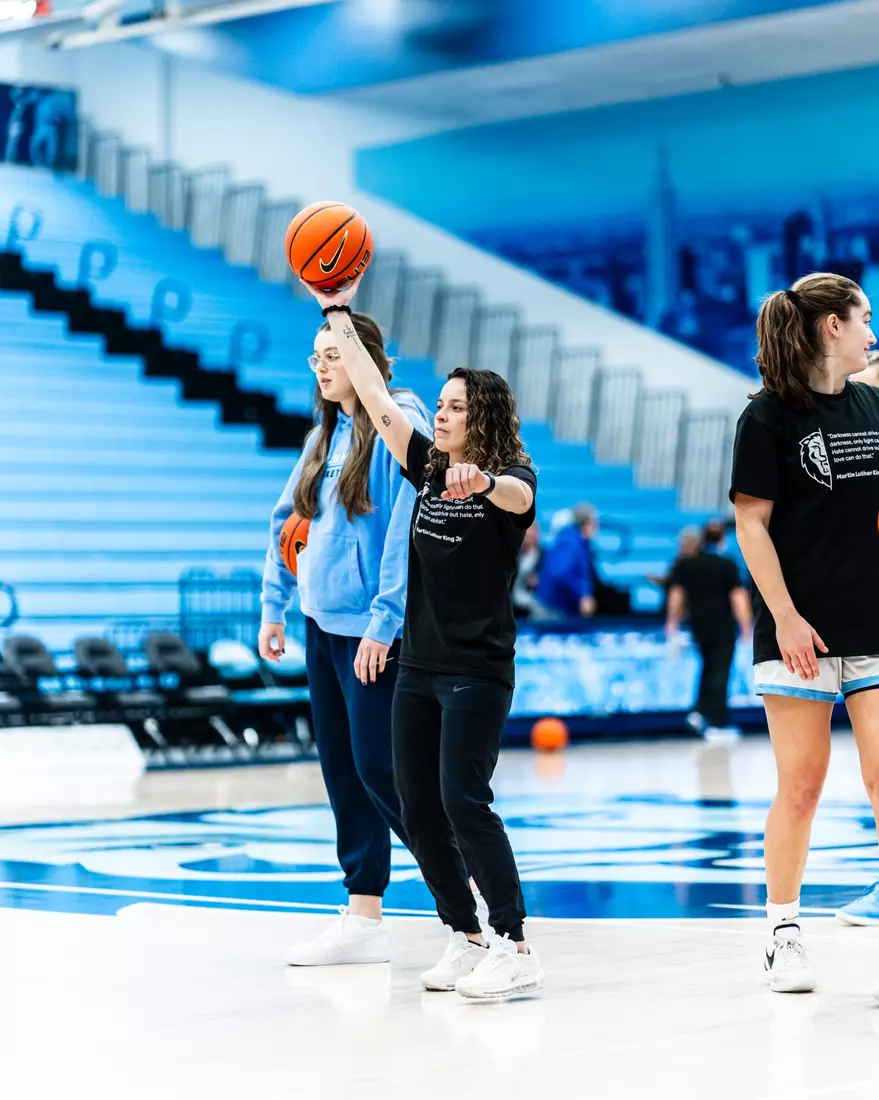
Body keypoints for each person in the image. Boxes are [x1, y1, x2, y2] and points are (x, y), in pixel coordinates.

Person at [301, 274, 543, 1002]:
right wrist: (336, 314)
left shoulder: (510, 476)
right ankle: (466, 936)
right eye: (438, 404)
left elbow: (521, 498)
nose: (440, 414)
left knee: (463, 801)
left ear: (485, 417)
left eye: (455, 407)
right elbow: (376, 398)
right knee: (414, 800)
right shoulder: (427, 468)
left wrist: (485, 483)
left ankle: (515, 942)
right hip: (419, 668)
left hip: (477, 670)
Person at [259, 312, 431, 967]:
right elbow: (286, 523)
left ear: (368, 359)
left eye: (333, 354)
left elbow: (403, 536)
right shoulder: (322, 437)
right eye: (315, 357)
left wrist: (383, 623)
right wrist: (273, 608)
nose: (322, 366)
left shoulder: (401, 422)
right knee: (343, 773)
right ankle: (363, 917)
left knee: (381, 767)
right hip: (320, 627)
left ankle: (467, 885)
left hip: (373, 632)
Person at [730, 272, 879, 996]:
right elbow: (750, 523)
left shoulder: (870, 403)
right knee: (801, 786)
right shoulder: (765, 417)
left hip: (871, 622)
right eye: (863, 318)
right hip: (797, 629)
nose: (870, 330)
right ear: (831, 329)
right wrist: (785, 616)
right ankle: (782, 932)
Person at [665, 520, 752, 740]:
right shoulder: (726, 564)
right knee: (720, 671)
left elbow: (677, 594)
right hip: (721, 626)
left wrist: (672, 623)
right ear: (722, 539)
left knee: (707, 668)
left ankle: (699, 711)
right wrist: (745, 626)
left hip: (698, 625)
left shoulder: (687, 564)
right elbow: (738, 596)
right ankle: (716, 722)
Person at [536, 504, 599, 619]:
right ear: (586, 523)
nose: (596, 528)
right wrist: (581, 595)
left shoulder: (576, 543)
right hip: (553, 609)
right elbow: (559, 573)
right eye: (594, 523)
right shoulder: (570, 543)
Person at [512, 521, 544, 619]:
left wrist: (539, 580)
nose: (529, 534)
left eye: (532, 531)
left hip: (535, 602)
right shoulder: (513, 555)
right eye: (526, 532)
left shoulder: (544, 555)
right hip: (513, 604)